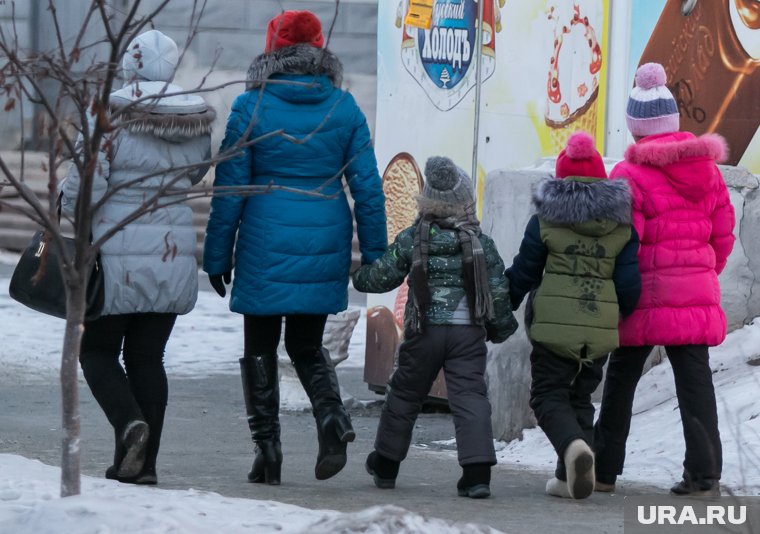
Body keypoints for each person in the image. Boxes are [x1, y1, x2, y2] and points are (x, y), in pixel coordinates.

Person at [203, 10, 386, 485]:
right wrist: (375, 251)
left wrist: (217, 255)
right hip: (324, 235)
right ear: (319, 51)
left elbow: (230, 189)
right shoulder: (343, 107)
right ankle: (332, 419)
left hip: (265, 235)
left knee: (259, 345)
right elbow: (367, 186)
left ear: (272, 51)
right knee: (306, 343)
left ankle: (268, 454)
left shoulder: (250, 105)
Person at [61, 30, 213, 484]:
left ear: (130, 65)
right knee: (148, 359)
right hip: (172, 250)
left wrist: (68, 218)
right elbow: (195, 173)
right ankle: (142, 468)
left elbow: (87, 185)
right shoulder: (194, 117)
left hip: (116, 254)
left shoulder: (107, 112)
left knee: (97, 351)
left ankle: (129, 425)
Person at [593, 63, 735, 497]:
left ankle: (603, 469)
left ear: (637, 129)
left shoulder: (628, 175)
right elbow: (723, 235)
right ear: (673, 121)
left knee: (621, 379)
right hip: (693, 294)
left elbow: (622, 240)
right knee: (695, 382)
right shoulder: (708, 171)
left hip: (641, 296)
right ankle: (705, 474)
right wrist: (704, 273)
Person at [352, 157, 518, 499]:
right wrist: (500, 329)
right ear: (465, 201)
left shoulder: (413, 238)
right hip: (467, 334)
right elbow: (498, 291)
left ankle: (385, 465)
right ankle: (476, 474)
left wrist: (354, 274)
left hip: (423, 331)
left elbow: (382, 275)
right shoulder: (480, 243)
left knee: (404, 394)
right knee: (470, 396)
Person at [505, 131, 641, 499]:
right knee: (580, 398)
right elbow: (629, 285)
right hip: (599, 328)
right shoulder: (622, 227)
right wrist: (615, 314)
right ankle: (568, 478)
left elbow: (525, 272)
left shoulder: (545, 220)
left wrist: (503, 304)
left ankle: (572, 448)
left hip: (553, 329)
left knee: (547, 395)